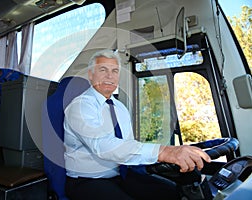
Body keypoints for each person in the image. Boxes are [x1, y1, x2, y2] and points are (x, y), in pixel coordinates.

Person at [63, 49, 211, 200]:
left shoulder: (119, 107)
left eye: (115, 71)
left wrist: (156, 158)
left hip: (121, 175)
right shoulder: (80, 106)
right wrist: (164, 152)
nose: (110, 76)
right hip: (86, 181)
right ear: (90, 75)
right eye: (103, 70)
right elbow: (103, 146)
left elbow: (128, 145)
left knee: (171, 193)